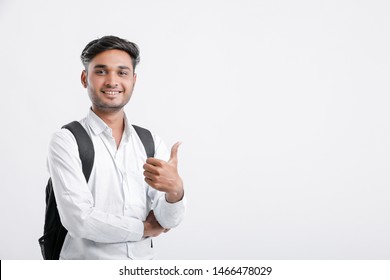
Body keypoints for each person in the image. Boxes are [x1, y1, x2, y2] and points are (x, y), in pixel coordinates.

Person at [47, 35, 186, 259]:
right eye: (101, 71)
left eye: (122, 73)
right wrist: (143, 228)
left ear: (133, 80)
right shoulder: (67, 141)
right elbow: (79, 220)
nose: (112, 81)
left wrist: (175, 191)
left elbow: (168, 220)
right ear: (85, 78)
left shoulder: (150, 141)